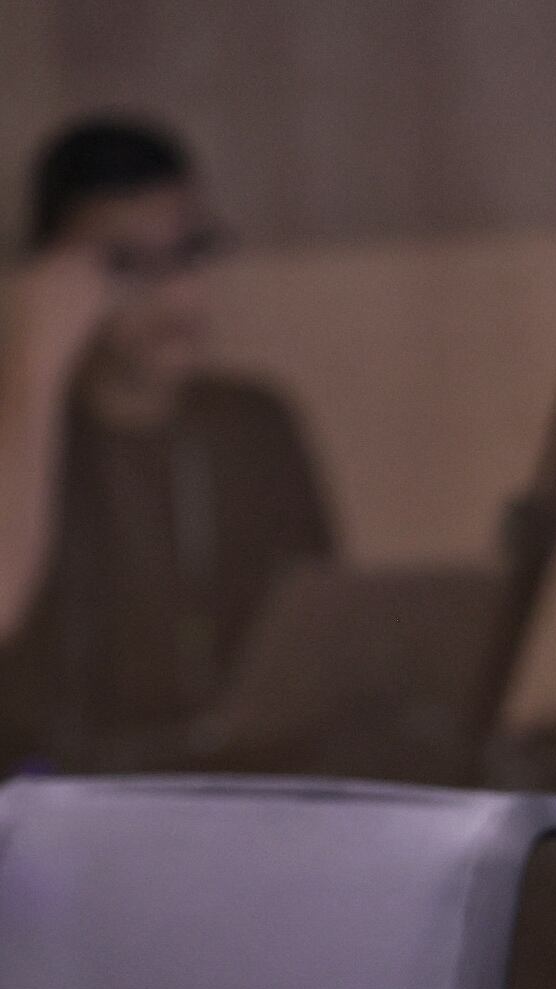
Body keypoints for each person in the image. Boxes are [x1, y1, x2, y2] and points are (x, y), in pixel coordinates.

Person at [0, 117, 333, 772]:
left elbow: (320, 632)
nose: (175, 293)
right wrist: (33, 366)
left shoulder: (253, 422)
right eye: (126, 265)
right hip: (53, 798)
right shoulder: (19, 425)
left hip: (234, 781)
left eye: (190, 252)